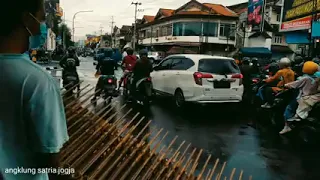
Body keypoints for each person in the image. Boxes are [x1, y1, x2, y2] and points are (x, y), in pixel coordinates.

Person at [0, 0, 69, 179]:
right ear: (26, 19)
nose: (41, 27)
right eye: (41, 19)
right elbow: (49, 158)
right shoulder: (38, 81)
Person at [280, 61, 320, 134]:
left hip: (303, 97)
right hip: (314, 97)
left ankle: (287, 126)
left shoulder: (304, 78)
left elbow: (294, 84)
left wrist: (285, 85)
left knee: (289, 108)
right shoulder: (317, 78)